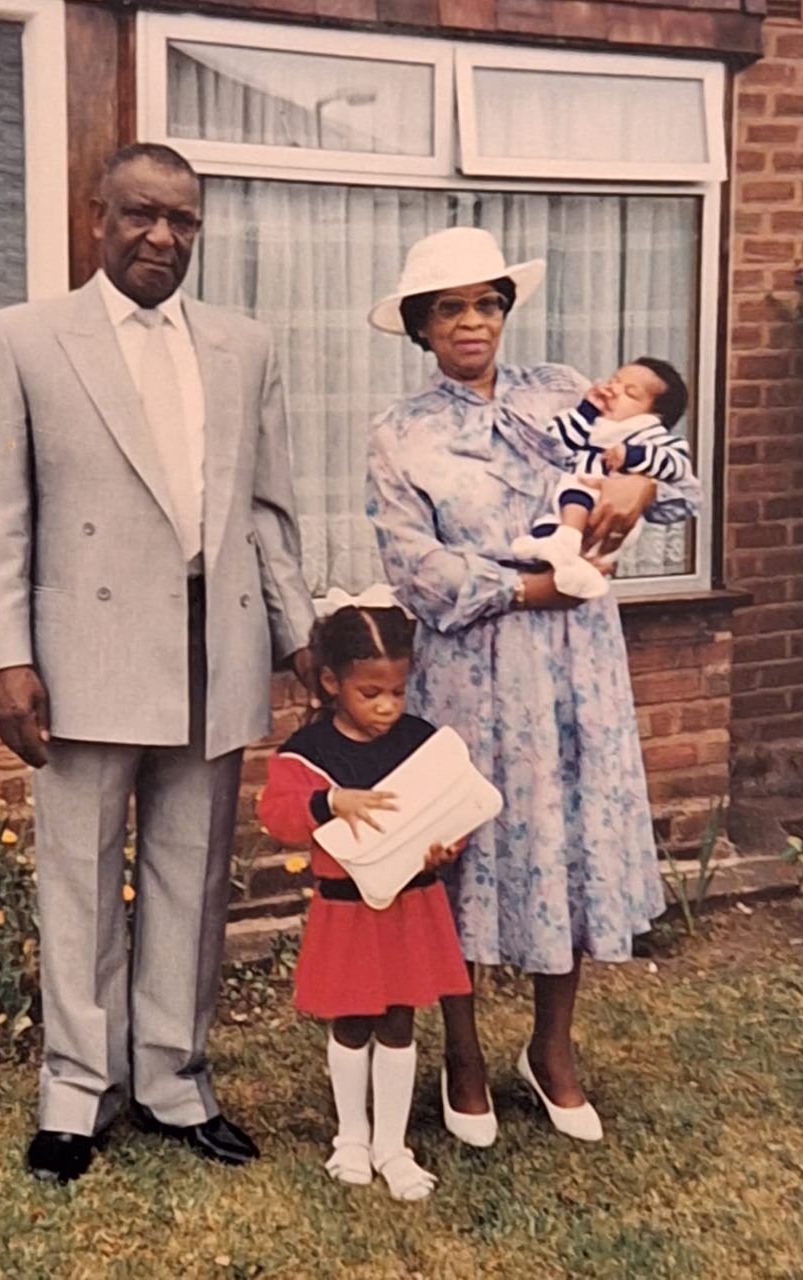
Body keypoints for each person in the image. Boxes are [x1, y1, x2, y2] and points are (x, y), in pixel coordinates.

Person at [0, 142, 316, 1183]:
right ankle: (76, 1091)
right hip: (82, 650)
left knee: (191, 872)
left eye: (183, 221)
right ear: (97, 217)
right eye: (141, 215)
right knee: (78, 875)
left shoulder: (244, 344)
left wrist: (300, 633)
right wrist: (4, 657)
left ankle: (173, 1078)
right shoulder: (26, 338)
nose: (162, 236)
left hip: (218, 639)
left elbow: (267, 507)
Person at [365, 227, 701, 1145]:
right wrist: (524, 587)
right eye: (449, 308)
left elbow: (670, 479)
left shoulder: (564, 391)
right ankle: (464, 1056)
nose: (470, 322)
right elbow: (413, 567)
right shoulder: (401, 433)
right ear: (419, 326)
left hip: (577, 669)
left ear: (504, 313)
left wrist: (634, 491)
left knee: (572, 840)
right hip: (472, 670)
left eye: (485, 303)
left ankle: (552, 1049)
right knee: (464, 855)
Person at [258, 595, 477, 1200]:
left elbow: (451, 807)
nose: (386, 708)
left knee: (400, 1019)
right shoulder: (310, 752)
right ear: (332, 683)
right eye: (369, 694)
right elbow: (275, 814)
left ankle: (393, 1144)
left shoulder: (420, 741)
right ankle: (351, 1137)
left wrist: (444, 848)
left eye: (397, 693)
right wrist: (330, 802)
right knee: (352, 1020)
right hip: (347, 908)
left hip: (411, 903)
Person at [510, 358, 693, 599]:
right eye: (614, 381)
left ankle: (571, 550)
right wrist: (586, 410)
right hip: (567, 506)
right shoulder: (589, 422)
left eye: (630, 393)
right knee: (552, 515)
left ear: (653, 415)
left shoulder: (648, 434)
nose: (614, 390)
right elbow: (557, 443)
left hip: (605, 513)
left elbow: (677, 465)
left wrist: (632, 457)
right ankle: (558, 556)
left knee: (579, 491)